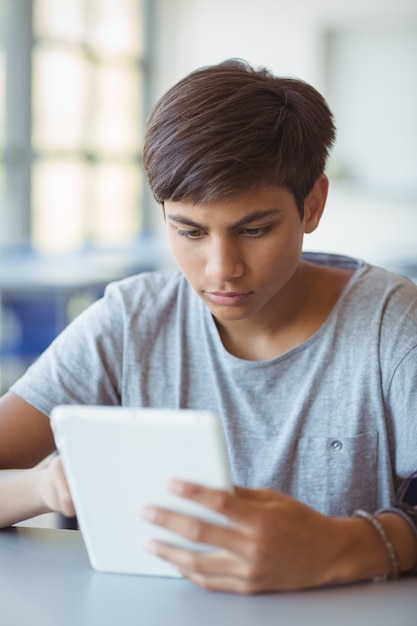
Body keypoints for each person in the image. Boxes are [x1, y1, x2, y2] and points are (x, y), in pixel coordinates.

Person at [0, 59, 416, 594]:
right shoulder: (132, 320)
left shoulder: (393, 327)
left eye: (255, 229)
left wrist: (348, 545)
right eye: (190, 232)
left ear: (312, 204)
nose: (222, 269)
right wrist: (46, 486)